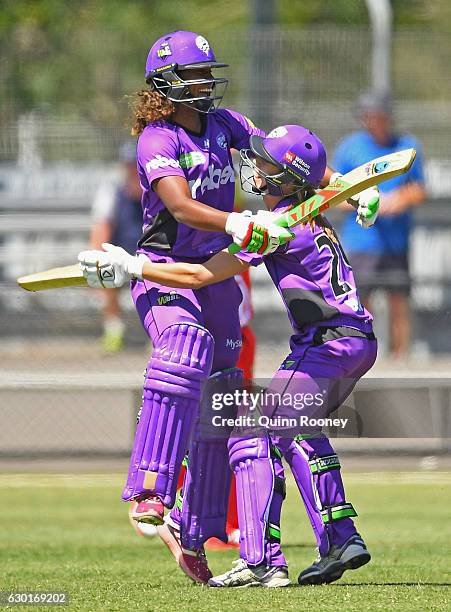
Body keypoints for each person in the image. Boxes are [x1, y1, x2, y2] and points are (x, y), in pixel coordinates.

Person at [79, 123, 379, 587]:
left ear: (283, 179)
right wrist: (350, 193)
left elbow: (201, 274)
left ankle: (264, 561)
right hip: (356, 339)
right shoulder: (306, 215)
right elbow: (318, 179)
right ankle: (338, 535)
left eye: (264, 164)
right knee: (288, 428)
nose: (253, 168)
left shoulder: (277, 227)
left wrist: (133, 266)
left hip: (327, 343)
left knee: (250, 427)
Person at [81, 29, 296, 583]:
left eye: (207, 73)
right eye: (193, 75)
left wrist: (337, 181)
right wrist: (236, 220)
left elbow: (279, 151)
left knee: (222, 397)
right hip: (164, 273)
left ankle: (193, 526)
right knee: (184, 349)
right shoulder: (157, 139)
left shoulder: (226, 125)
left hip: (217, 274)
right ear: (166, 84)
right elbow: (178, 203)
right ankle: (150, 487)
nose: (205, 83)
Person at [333, 91, 426, 358]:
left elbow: (420, 189)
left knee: (399, 301)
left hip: (396, 242)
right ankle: (364, 355)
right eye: (367, 116)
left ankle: (400, 358)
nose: (372, 121)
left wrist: (399, 200)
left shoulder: (407, 146)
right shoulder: (350, 147)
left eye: (377, 115)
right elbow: (331, 195)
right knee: (362, 303)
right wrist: (363, 201)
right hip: (361, 240)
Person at [90, 142, 143, 353]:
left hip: (150, 256)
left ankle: (160, 337)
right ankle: (114, 331)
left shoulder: (159, 191)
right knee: (105, 280)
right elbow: (102, 227)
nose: (133, 170)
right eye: (129, 165)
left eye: (136, 165)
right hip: (120, 254)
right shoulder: (112, 193)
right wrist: (97, 258)